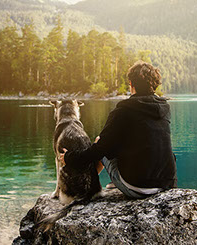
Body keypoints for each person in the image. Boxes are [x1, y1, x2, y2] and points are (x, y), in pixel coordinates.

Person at [60, 61, 177, 199]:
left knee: (100, 142)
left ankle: (89, 188)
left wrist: (70, 158)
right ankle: (107, 182)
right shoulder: (165, 108)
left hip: (138, 188)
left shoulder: (123, 110)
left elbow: (100, 150)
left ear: (131, 85)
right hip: (167, 184)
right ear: (155, 85)